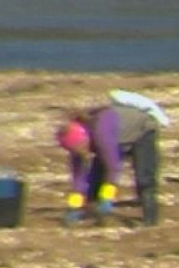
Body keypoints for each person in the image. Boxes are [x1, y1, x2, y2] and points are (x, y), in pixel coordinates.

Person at [55, 95, 165, 227]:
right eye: (75, 151)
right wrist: (73, 206)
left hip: (142, 132)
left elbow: (113, 167)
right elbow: (79, 177)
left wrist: (107, 198)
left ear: (84, 138)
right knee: (95, 178)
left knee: (144, 178)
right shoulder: (78, 146)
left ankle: (150, 220)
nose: (81, 153)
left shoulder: (101, 132)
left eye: (81, 148)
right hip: (116, 139)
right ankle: (94, 212)